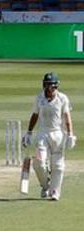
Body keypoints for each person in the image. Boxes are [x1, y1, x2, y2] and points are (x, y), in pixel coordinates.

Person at [22, 72, 76, 201]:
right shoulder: (39, 98)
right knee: (39, 163)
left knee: (58, 166)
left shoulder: (63, 98)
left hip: (58, 133)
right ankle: (45, 185)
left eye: (50, 86)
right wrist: (29, 132)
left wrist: (70, 134)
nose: (48, 88)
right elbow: (35, 115)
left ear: (55, 86)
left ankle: (54, 191)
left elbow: (67, 117)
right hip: (42, 133)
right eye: (46, 85)